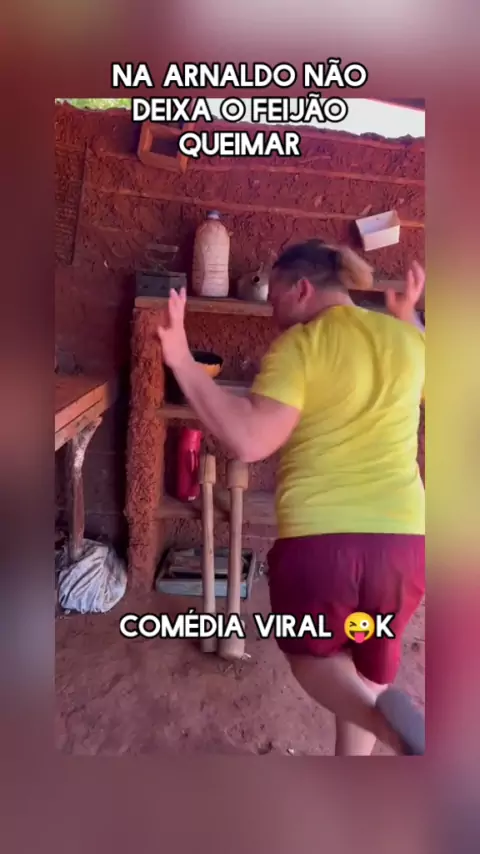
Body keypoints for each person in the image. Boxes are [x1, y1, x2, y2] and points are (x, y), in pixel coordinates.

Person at [157, 240, 425, 756]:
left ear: (302, 289)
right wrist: (408, 316)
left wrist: (182, 360)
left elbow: (251, 440)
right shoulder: (406, 341)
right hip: (403, 547)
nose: (272, 310)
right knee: (366, 670)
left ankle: (383, 724)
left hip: (322, 546)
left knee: (312, 656)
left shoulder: (302, 346)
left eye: (275, 296)